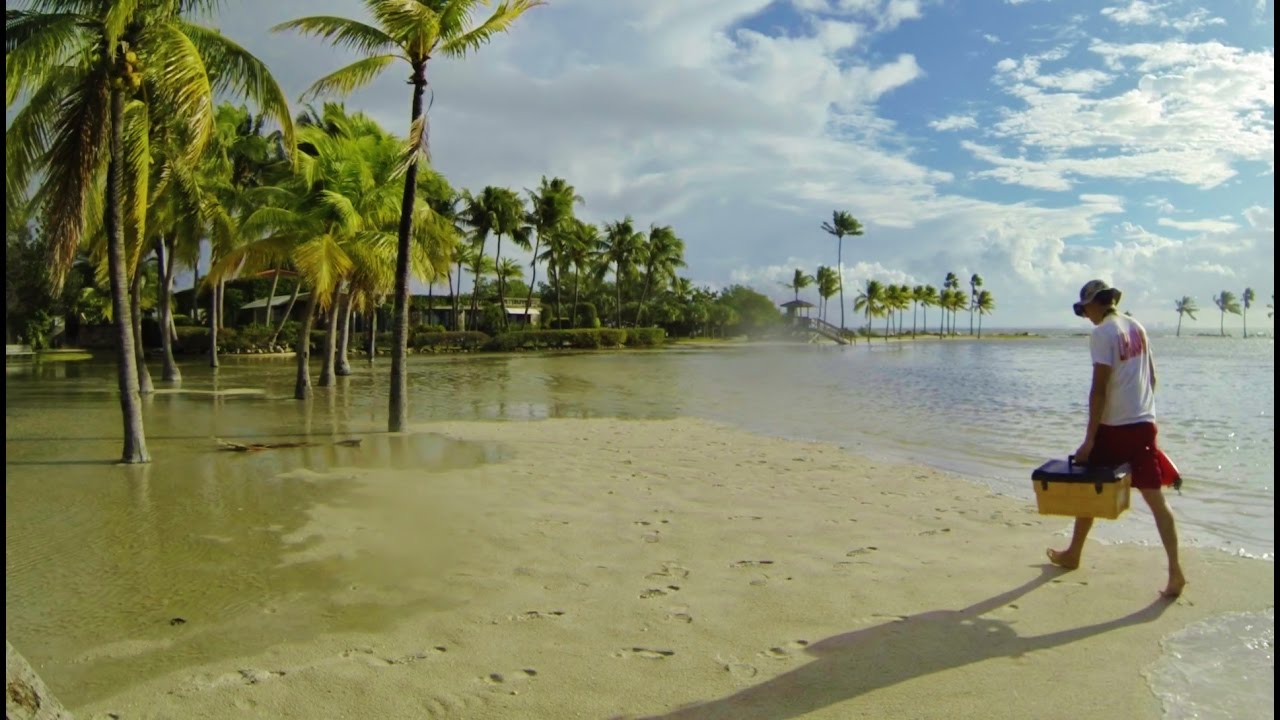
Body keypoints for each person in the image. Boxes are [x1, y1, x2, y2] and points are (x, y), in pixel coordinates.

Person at [1046, 280, 1187, 598]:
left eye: (1085, 310)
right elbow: (1152, 378)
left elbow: (1098, 389)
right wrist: (1141, 411)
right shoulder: (1137, 327)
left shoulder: (1102, 333)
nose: (1086, 316)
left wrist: (1089, 439)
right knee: (1156, 501)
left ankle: (1073, 554)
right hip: (1145, 424)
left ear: (1096, 304)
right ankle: (1176, 573)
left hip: (1115, 428)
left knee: (1089, 489)